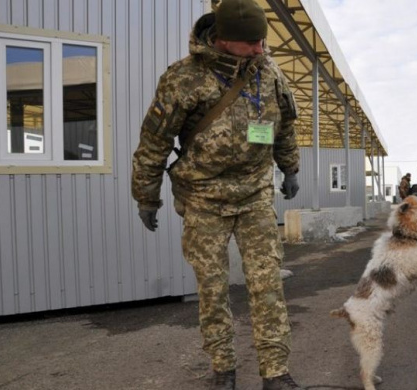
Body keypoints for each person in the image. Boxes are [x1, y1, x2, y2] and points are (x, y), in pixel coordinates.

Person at [131, 0, 303, 389]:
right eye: (250, 43)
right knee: (212, 287)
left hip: (255, 193)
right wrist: (146, 196)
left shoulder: (269, 71)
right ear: (223, 40)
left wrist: (290, 168)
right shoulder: (183, 78)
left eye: (262, 40)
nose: (260, 49)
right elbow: (154, 142)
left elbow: (286, 125)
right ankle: (222, 369)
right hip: (204, 198)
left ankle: (275, 373)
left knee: (267, 284)